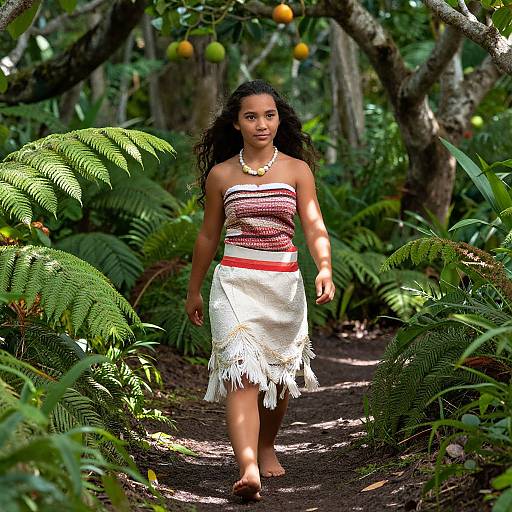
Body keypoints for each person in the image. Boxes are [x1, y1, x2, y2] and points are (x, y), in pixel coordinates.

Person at [185, 79, 335, 502]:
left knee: (279, 382)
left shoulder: (296, 170)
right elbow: (207, 237)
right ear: (236, 123)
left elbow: (313, 226)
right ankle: (248, 467)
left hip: (283, 287)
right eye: (251, 116)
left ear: (278, 119)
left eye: (268, 115)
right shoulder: (222, 175)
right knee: (243, 375)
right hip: (234, 285)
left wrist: (324, 267)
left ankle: (266, 444)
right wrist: (194, 290)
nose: (261, 124)